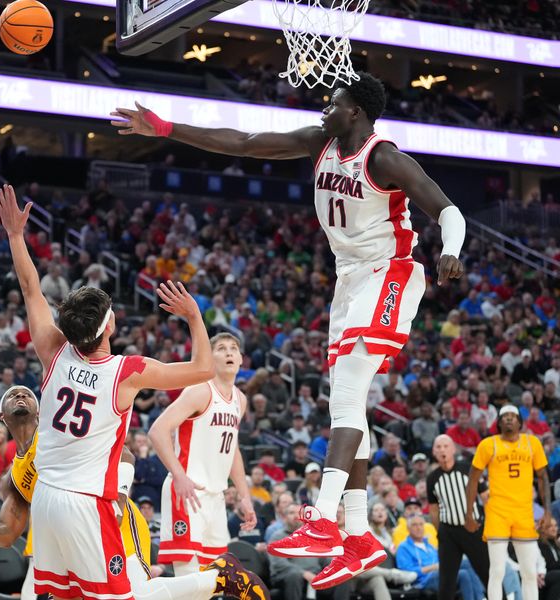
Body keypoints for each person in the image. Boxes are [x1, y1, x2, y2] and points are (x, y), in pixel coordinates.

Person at [112, 71, 466, 590]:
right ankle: (360, 534)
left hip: (389, 272)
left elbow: (447, 208)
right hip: (349, 279)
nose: (326, 107)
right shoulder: (317, 142)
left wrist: (451, 251)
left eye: (335, 102)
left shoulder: (384, 158)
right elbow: (245, 142)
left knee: (345, 399)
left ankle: (324, 519)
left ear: (357, 113)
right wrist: (166, 128)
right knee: (349, 403)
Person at [0, 184, 267, 600]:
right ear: (109, 326)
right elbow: (202, 368)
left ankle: (215, 578)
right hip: (87, 503)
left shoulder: (53, 350)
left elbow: (31, 288)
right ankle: (215, 579)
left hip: (47, 496)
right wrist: (194, 316)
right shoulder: (128, 372)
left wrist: (16, 235)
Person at [0, 385, 265, 600]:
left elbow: (125, 455)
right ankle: (217, 578)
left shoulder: (60, 431)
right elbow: (8, 534)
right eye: (12, 395)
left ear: (39, 410)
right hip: (62, 550)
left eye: (26, 393)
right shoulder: (15, 475)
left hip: (115, 526)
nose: (20, 396)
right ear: (2, 416)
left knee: (134, 597)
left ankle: (217, 578)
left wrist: (119, 498)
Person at [149, 333, 256, 574]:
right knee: (188, 579)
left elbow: (232, 450)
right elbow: (157, 431)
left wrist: (244, 496)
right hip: (188, 493)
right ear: (209, 357)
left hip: (216, 498)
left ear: (241, 359)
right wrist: (179, 475)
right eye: (221, 348)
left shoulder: (240, 399)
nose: (229, 352)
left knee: (213, 580)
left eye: (234, 348)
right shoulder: (199, 391)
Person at [466, 405, 551, 600]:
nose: (509, 419)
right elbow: (472, 479)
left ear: (520, 422)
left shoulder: (532, 443)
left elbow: (543, 477)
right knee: (497, 571)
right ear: (498, 423)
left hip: (523, 513)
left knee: (529, 571)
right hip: (498, 513)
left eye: (513, 416)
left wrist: (546, 512)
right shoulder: (488, 444)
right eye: (505, 416)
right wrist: (469, 513)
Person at [426, 434, 491, 599]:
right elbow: (433, 509)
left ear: (453, 449)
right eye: (438, 447)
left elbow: (485, 496)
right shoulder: (432, 478)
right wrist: (440, 531)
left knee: (487, 573)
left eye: (446, 446)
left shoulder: (468, 468)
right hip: (448, 533)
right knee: (446, 581)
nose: (442, 450)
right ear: (434, 451)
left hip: (472, 528)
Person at [397, 514, 483, 599]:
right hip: (424, 580)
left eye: (421, 524)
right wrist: (433, 567)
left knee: (466, 566)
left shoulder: (429, 545)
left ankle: (480, 598)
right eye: (414, 525)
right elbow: (406, 572)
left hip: (440, 572)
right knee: (464, 570)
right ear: (408, 529)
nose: (418, 528)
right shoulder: (403, 547)